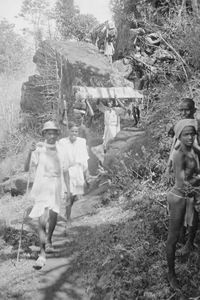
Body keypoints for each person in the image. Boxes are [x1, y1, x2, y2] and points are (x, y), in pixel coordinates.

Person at [24, 121, 67, 269]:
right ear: (44, 134)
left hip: (56, 186)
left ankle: (49, 239)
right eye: (49, 133)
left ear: (57, 135)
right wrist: (29, 153)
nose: (52, 135)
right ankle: (42, 254)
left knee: (53, 216)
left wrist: (67, 189)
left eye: (54, 133)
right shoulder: (38, 149)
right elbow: (26, 168)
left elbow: (65, 169)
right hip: (42, 186)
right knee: (42, 219)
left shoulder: (61, 149)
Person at [166, 119, 200, 290]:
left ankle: (188, 246)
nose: (190, 137)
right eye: (186, 134)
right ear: (179, 136)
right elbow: (182, 183)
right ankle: (171, 274)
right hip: (179, 197)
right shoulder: (179, 154)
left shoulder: (194, 149)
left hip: (191, 195)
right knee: (172, 239)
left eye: (192, 133)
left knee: (193, 224)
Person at [58, 122, 89, 222]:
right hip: (67, 171)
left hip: (78, 170)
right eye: (72, 131)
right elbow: (60, 158)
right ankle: (68, 217)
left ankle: (70, 213)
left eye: (76, 131)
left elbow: (85, 159)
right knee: (69, 194)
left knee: (76, 195)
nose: (74, 133)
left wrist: (86, 174)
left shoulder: (81, 142)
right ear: (68, 131)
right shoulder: (63, 142)